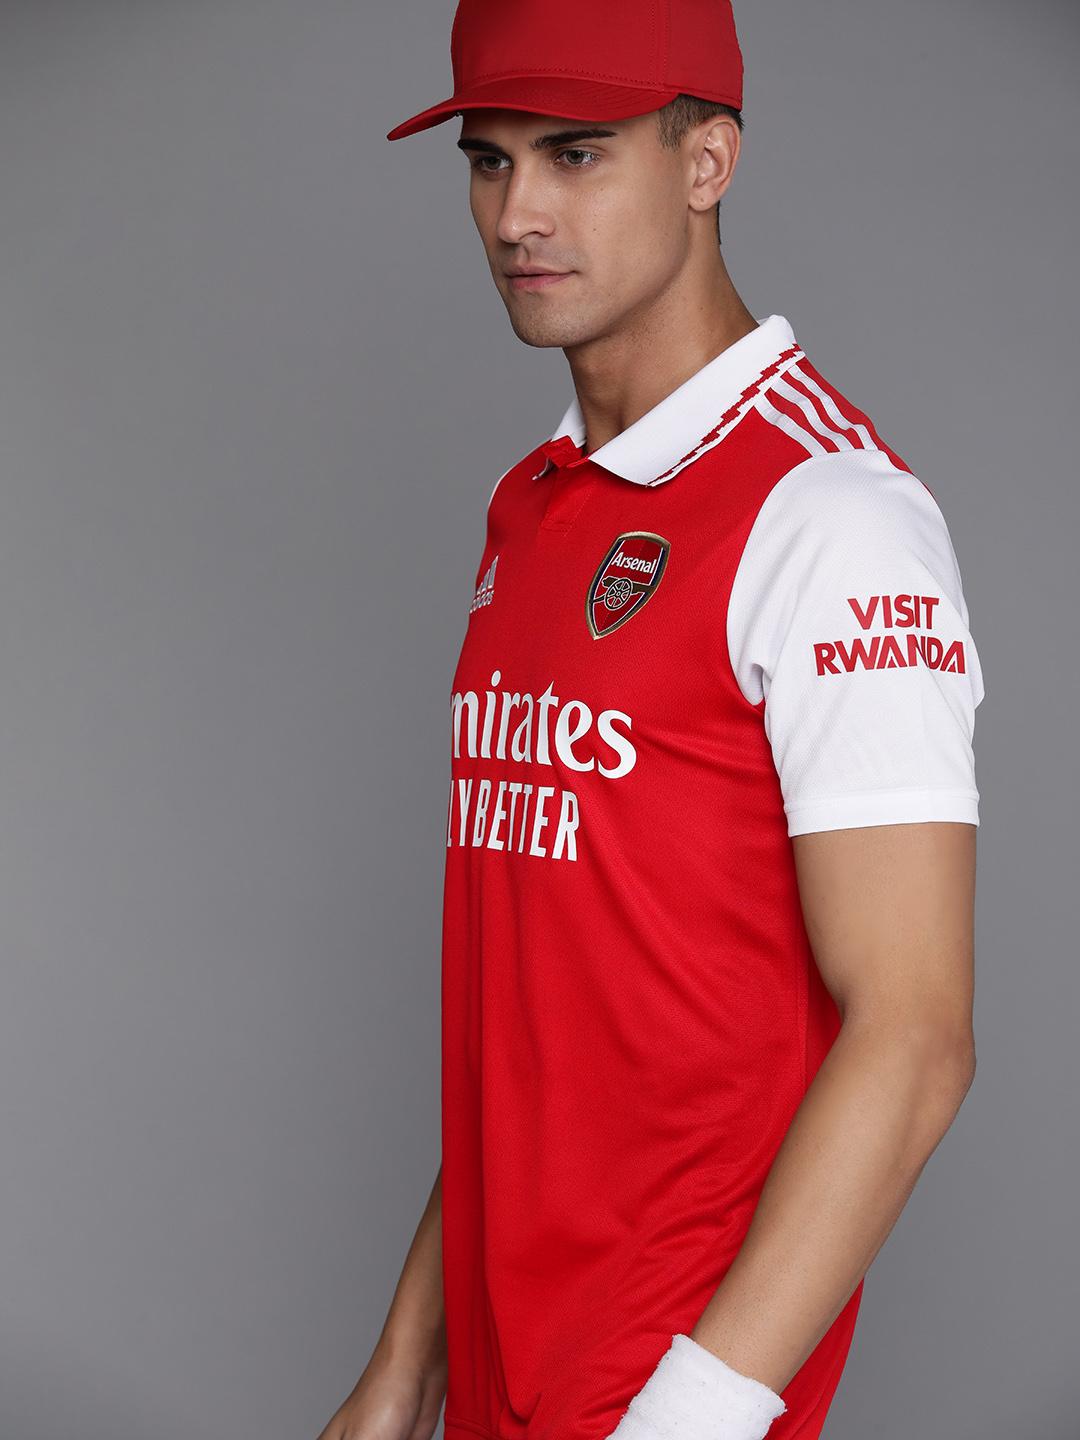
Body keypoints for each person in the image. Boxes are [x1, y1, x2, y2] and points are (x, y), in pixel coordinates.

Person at [318, 2, 985, 1437]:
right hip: (504, 1364)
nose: (517, 215)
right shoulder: (532, 506)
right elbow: (539, 1009)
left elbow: (917, 1034)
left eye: (575, 154)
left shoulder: (831, 519)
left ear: (708, 161)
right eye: (489, 161)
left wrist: (688, 1418)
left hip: (668, 1378)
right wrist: (406, 1368)